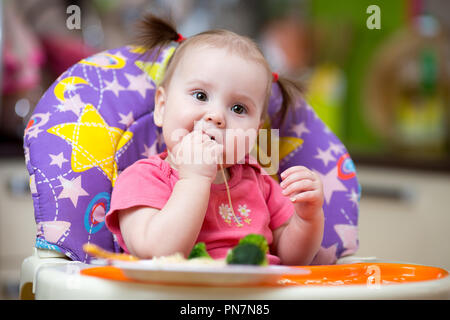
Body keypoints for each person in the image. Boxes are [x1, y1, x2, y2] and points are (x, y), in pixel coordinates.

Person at [105, 14, 324, 265]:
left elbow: (292, 259)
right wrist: (194, 179)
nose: (217, 116)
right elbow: (156, 252)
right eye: (200, 95)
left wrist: (307, 218)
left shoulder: (259, 181)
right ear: (162, 106)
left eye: (239, 109)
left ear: (255, 132)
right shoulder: (144, 178)